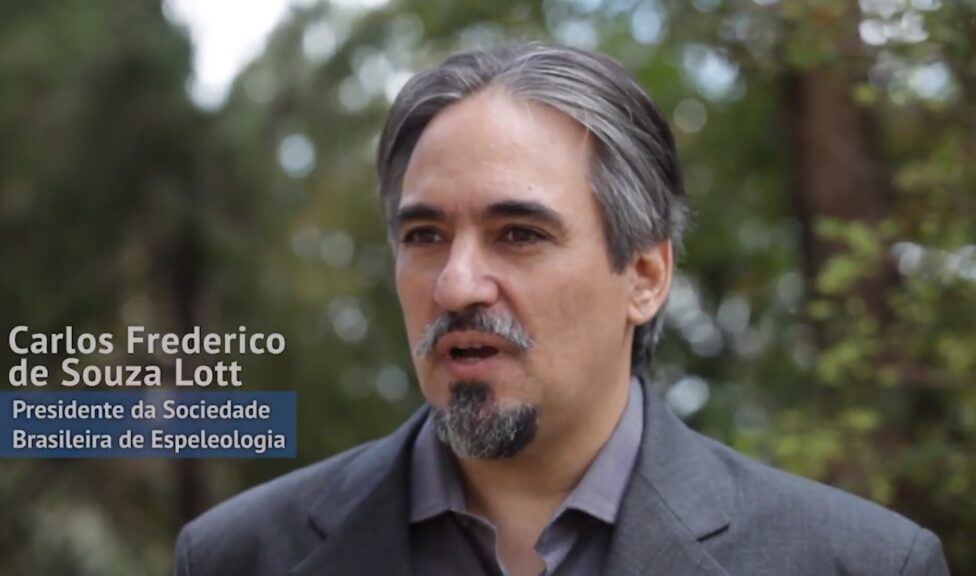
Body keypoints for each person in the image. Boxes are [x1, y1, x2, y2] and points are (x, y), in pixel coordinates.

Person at [174, 43, 950, 576]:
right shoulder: (238, 556)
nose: (456, 286)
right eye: (425, 236)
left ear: (644, 276)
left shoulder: (858, 563)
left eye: (519, 234)